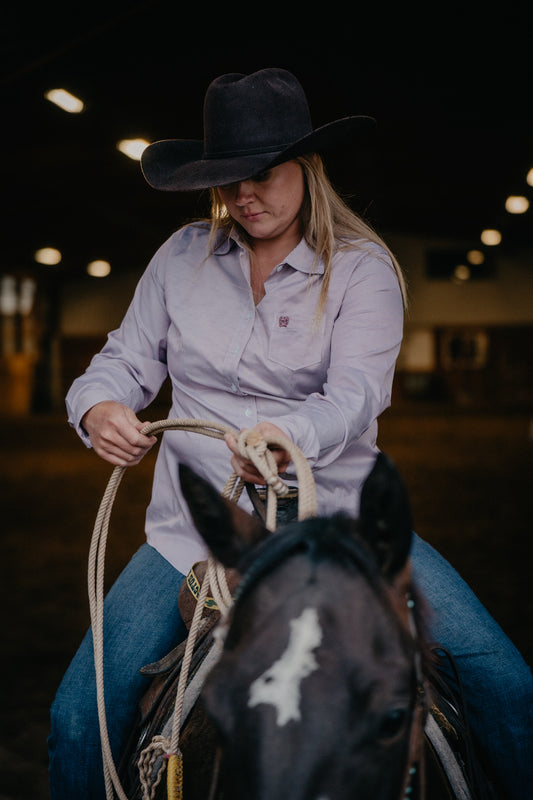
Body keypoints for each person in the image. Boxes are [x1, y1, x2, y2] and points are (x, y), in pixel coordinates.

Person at [48, 68, 532, 800]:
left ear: (307, 169)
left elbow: (356, 396)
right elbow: (122, 361)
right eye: (228, 178)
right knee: (74, 720)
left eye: (264, 174)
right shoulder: (180, 259)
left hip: (337, 526)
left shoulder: (362, 271)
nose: (245, 196)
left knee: (507, 684)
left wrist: (289, 433)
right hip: (193, 538)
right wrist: (99, 407)